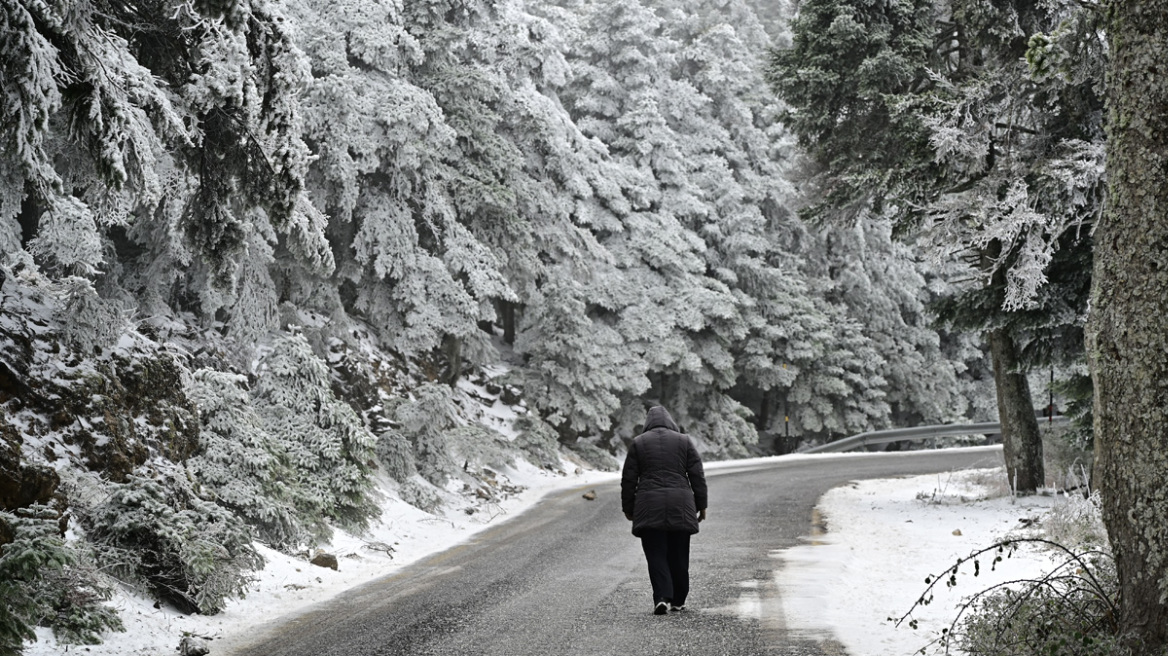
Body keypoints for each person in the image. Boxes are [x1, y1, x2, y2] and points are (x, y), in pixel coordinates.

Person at [621, 405, 708, 615]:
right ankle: (678, 600)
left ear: (647, 424)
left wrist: (628, 508)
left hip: (649, 505)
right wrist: (701, 505)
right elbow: (697, 475)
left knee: (656, 554)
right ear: (670, 422)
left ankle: (661, 597)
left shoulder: (639, 443)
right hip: (681, 503)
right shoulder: (684, 441)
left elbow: (629, 480)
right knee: (679, 554)